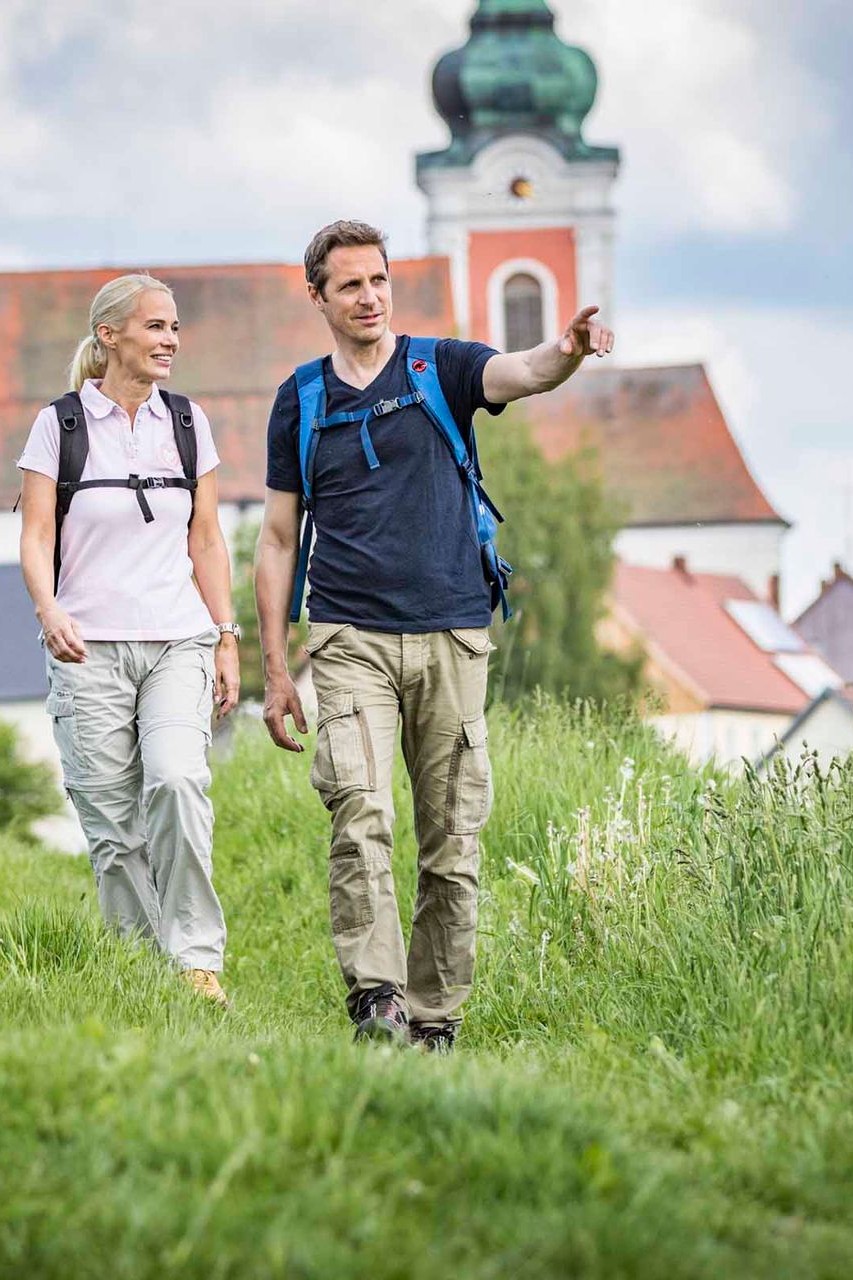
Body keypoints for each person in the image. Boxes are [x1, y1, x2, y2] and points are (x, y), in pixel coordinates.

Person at [253, 220, 614, 1049]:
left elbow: (520, 372)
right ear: (319, 296)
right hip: (349, 638)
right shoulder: (301, 400)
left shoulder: (438, 367)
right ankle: (376, 999)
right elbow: (277, 540)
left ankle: (435, 1017)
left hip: (453, 635)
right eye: (349, 285)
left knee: (451, 839)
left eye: (378, 280)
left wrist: (568, 347)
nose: (369, 297)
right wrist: (278, 670)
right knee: (360, 813)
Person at [19, 273, 242, 1006]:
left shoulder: (187, 422)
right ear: (110, 336)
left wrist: (225, 636)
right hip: (88, 648)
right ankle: (148, 976)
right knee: (114, 830)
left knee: (177, 782)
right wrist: (50, 610)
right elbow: (35, 534)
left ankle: (196, 958)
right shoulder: (61, 426)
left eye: (174, 327)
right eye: (155, 327)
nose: (171, 340)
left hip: (179, 639)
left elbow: (207, 539)